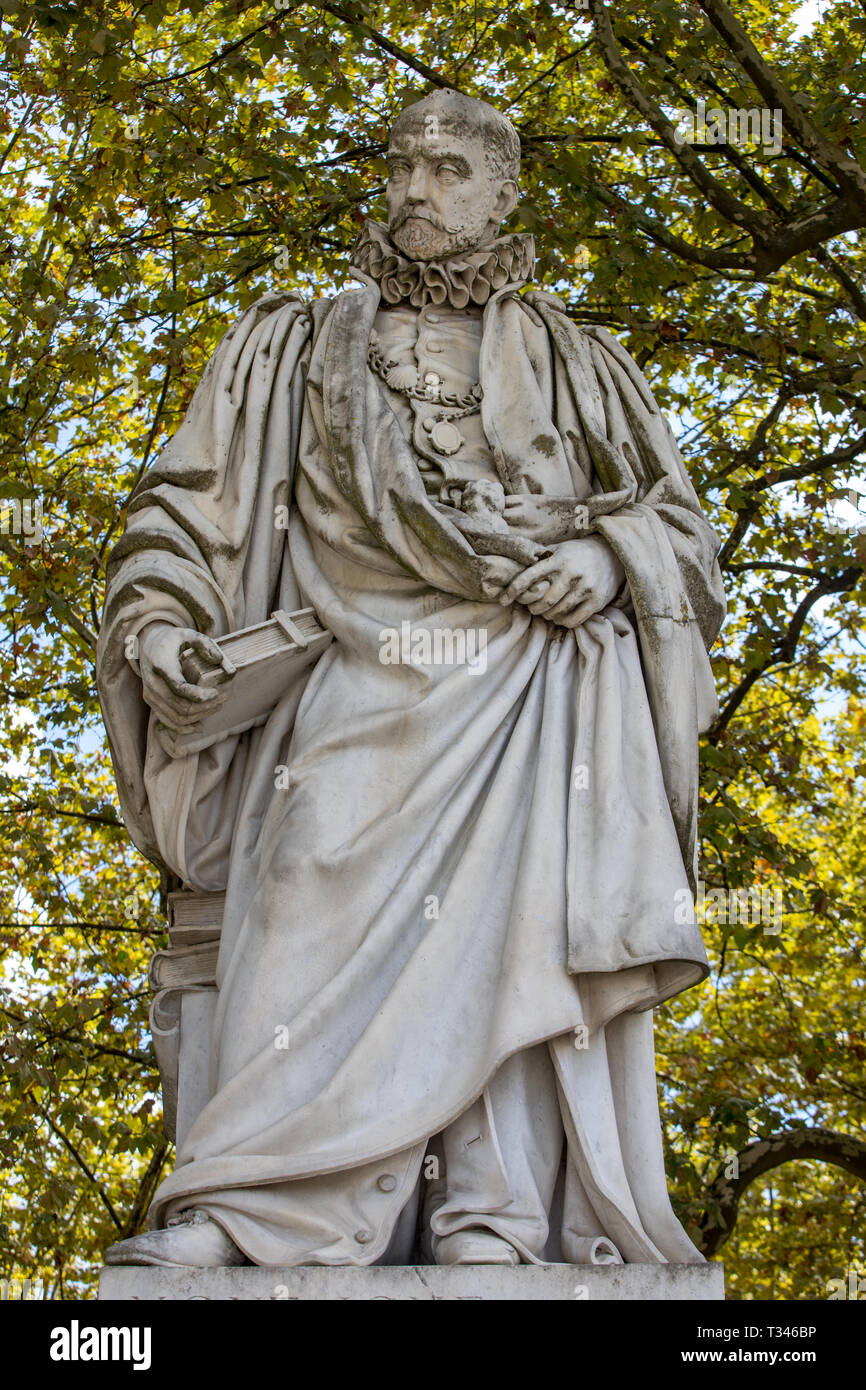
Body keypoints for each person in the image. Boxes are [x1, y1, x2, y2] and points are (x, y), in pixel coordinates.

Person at [97, 89, 725, 1268]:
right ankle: (256, 1210)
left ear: (503, 193)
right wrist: (165, 618)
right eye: (398, 168)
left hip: (535, 688)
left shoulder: (581, 365)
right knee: (296, 890)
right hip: (346, 674)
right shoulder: (291, 344)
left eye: (446, 171)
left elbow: (681, 535)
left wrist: (604, 555)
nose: (414, 194)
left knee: (518, 936)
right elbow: (186, 510)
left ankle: (490, 1220)